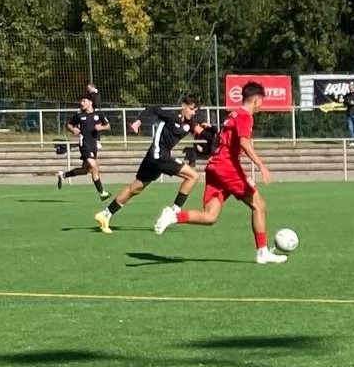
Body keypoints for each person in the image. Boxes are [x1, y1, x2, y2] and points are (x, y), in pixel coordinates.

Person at [153, 81, 287, 264]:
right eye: (261, 102)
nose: (261, 106)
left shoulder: (232, 115)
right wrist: (261, 165)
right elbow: (244, 142)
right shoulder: (245, 117)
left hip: (215, 166)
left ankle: (174, 216)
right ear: (256, 100)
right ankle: (262, 252)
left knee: (210, 216)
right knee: (259, 205)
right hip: (227, 168)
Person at [93, 95, 206, 234]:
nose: (193, 112)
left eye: (195, 110)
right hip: (159, 157)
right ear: (183, 106)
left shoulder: (190, 123)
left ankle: (105, 214)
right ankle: (174, 211)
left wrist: (208, 130)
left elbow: (203, 132)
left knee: (135, 188)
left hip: (154, 158)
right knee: (193, 176)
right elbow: (152, 109)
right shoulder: (171, 116)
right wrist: (137, 122)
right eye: (191, 109)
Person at [56, 96, 111, 201]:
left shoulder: (99, 114)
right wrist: (73, 130)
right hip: (84, 145)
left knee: (85, 170)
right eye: (81, 101)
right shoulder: (79, 115)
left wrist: (101, 127)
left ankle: (63, 175)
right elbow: (69, 125)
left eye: (84, 101)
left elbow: (108, 126)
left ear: (90, 102)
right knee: (94, 166)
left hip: (93, 145)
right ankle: (102, 192)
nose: (82, 103)